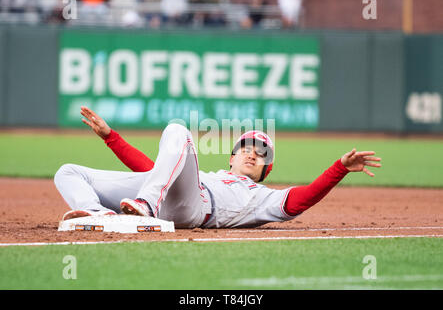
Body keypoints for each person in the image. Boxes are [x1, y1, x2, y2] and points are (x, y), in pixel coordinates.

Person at [54, 106, 381, 229]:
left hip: (192, 210)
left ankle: (145, 205)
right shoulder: (210, 175)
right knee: (68, 172)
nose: (253, 154)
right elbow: (154, 171)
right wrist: (111, 138)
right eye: (246, 148)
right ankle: (98, 215)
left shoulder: (262, 197)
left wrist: (339, 168)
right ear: (232, 157)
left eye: (262, 154)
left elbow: (302, 199)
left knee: (178, 130)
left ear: (266, 169)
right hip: (163, 196)